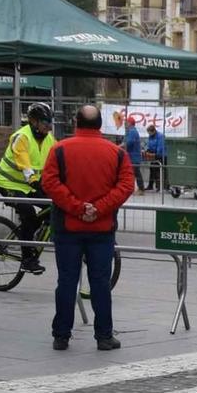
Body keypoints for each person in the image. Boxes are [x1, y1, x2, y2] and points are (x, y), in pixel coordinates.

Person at [42, 103, 136, 353]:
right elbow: (126, 185)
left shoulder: (59, 149)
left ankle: (61, 335)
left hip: (67, 227)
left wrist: (77, 207)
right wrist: (99, 207)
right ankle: (104, 336)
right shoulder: (116, 153)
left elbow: (49, 182)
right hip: (102, 229)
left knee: (66, 281)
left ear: (76, 123)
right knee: (100, 283)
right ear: (100, 126)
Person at [0, 102, 57, 274]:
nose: (48, 128)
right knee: (28, 212)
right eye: (45, 123)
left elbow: (59, 158)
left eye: (50, 123)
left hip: (29, 185)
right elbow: (25, 166)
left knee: (55, 208)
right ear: (34, 122)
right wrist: (36, 182)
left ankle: (29, 233)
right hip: (8, 184)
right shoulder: (21, 137)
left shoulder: (49, 139)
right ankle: (28, 259)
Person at [144, 124, 166, 192]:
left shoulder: (160, 136)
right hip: (153, 153)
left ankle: (159, 186)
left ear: (153, 131)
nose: (149, 134)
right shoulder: (150, 136)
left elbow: (160, 147)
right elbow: (149, 145)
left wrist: (155, 154)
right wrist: (147, 150)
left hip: (161, 155)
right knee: (152, 168)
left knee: (158, 170)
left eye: (150, 133)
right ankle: (150, 185)